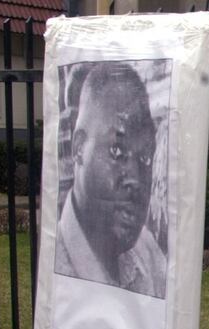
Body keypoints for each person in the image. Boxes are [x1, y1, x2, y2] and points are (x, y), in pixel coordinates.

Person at [55, 62, 167, 299]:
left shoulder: (147, 252)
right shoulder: (59, 263)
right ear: (78, 149)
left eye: (145, 157)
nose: (136, 179)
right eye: (117, 151)